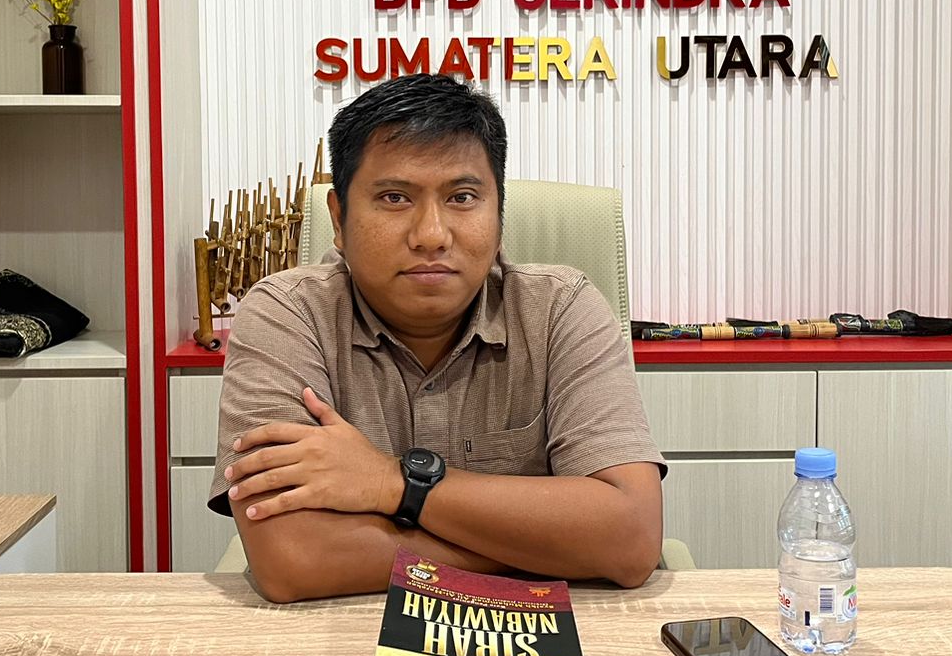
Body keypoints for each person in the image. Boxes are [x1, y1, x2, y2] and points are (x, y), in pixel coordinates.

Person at [208, 74, 665, 603]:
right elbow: (294, 559)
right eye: (395, 197)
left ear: (499, 213)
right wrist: (547, 547)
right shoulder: (286, 314)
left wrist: (391, 483)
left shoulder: (561, 308)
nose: (431, 235)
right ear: (338, 217)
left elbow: (630, 536)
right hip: (340, 637)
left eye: (462, 197)